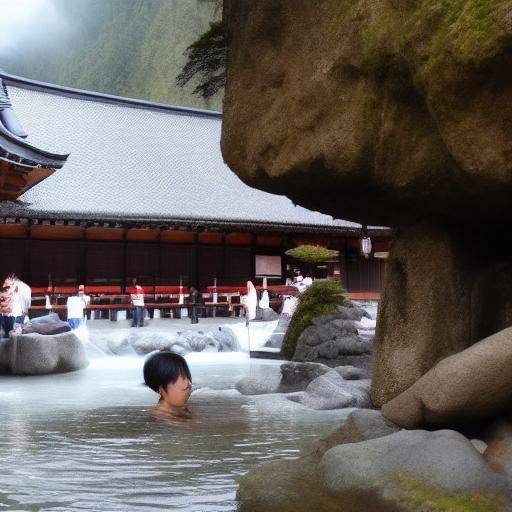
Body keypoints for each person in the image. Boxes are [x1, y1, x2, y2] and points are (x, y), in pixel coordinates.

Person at [143, 351, 192, 417]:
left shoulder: (177, 409)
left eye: (187, 376)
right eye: (182, 378)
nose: (189, 384)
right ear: (161, 388)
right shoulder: (163, 418)